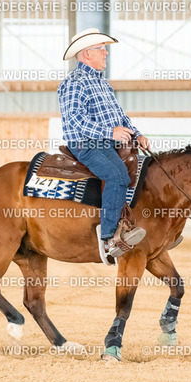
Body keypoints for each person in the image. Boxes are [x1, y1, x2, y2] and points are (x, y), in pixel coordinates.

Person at [58, 28, 150, 258]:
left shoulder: (103, 84)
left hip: (107, 142)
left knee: (145, 171)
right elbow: (75, 119)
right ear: (87, 54)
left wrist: (137, 135)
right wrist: (110, 132)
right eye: (101, 49)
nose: (106, 53)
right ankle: (109, 239)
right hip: (87, 144)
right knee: (117, 175)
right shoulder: (74, 83)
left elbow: (121, 118)